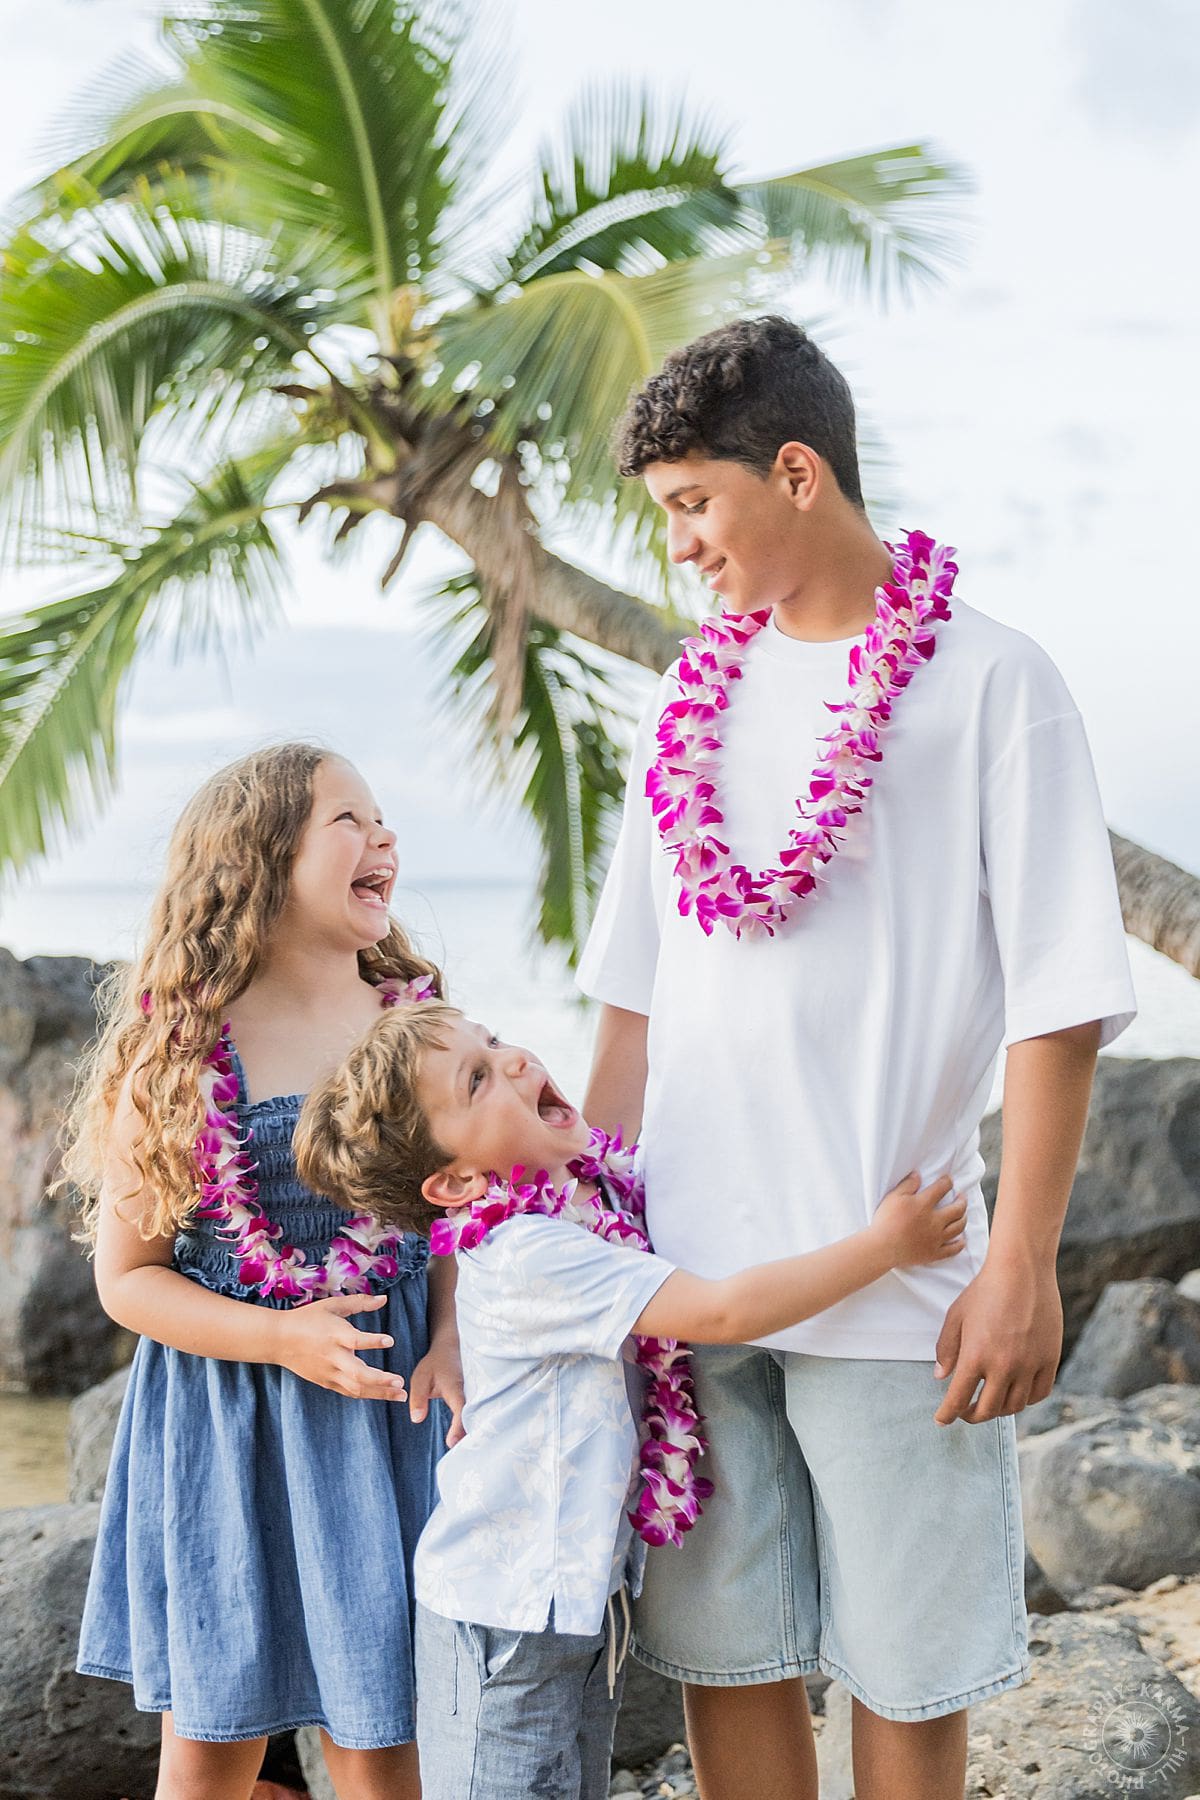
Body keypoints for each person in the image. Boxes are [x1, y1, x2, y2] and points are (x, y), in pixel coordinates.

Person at [576, 315, 1137, 1800]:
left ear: (800, 472)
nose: (683, 545)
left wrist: (1025, 1259)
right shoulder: (686, 706)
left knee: (909, 1666)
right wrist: (583, 1242)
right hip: (695, 1281)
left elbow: (1059, 1004)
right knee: (729, 1653)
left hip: (901, 1284)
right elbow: (631, 1006)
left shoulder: (995, 685)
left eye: (696, 503)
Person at [291, 998, 966, 1800]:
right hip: (505, 1616)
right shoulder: (526, 1252)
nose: (512, 1061)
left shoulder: (588, 1203)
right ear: (459, 1181)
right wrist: (884, 1248)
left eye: (495, 1041)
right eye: (477, 1080)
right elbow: (721, 1312)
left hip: (575, 1599)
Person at [66, 743, 464, 1800]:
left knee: (384, 1732)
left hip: (389, 1412)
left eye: (384, 817)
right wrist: (283, 1335)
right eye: (350, 819)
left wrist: (459, 1338)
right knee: (212, 1742)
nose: (383, 835)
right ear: (261, 861)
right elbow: (130, 1279)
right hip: (228, 1431)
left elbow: (469, 1209)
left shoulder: (414, 1026)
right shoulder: (182, 1051)